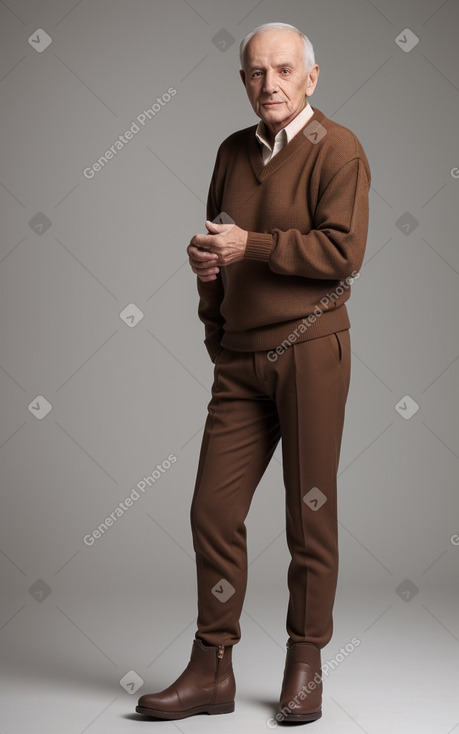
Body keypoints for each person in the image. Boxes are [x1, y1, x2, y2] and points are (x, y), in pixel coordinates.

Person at [136, 21, 370, 723]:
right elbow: (220, 243)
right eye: (253, 73)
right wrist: (208, 286)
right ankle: (212, 669)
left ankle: (305, 665)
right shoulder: (232, 151)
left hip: (308, 350)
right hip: (241, 357)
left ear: (310, 76)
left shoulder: (340, 149)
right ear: (242, 80)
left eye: (282, 70)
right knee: (212, 510)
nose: (268, 85)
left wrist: (253, 244)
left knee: (309, 513)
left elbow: (342, 252)